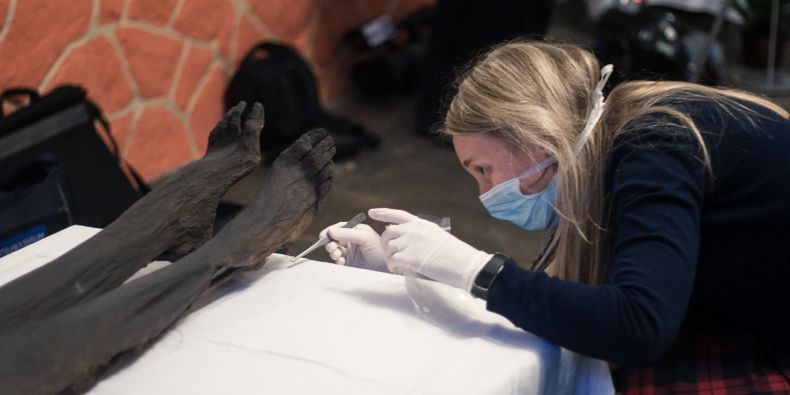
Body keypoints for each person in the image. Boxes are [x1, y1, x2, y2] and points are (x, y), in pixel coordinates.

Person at [321, 40, 790, 393]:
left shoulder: (656, 148)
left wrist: (471, 269)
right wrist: (408, 268)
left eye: (484, 170)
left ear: (538, 139)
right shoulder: (614, 132)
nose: (485, 194)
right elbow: (568, 296)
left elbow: (637, 325)